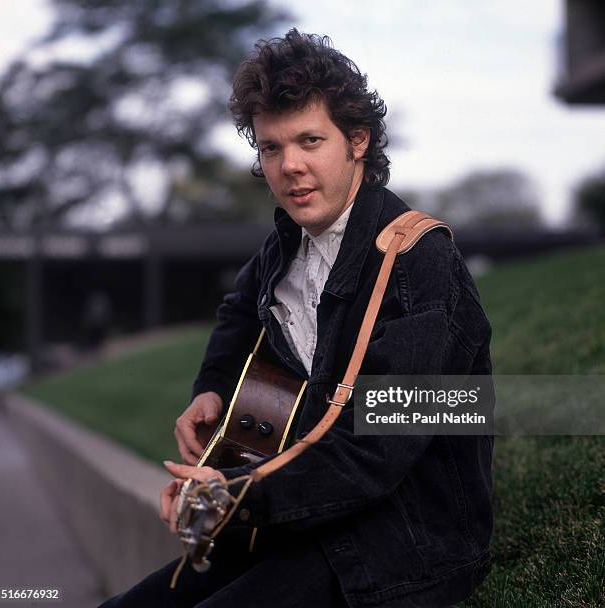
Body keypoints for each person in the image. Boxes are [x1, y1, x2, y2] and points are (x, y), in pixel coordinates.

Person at [100, 29, 493, 608]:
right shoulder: (289, 242)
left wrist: (235, 498)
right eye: (270, 148)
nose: (290, 167)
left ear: (357, 140)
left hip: (406, 546)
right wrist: (210, 389)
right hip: (301, 521)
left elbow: (377, 451)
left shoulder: (418, 262)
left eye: (310, 140)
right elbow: (237, 312)